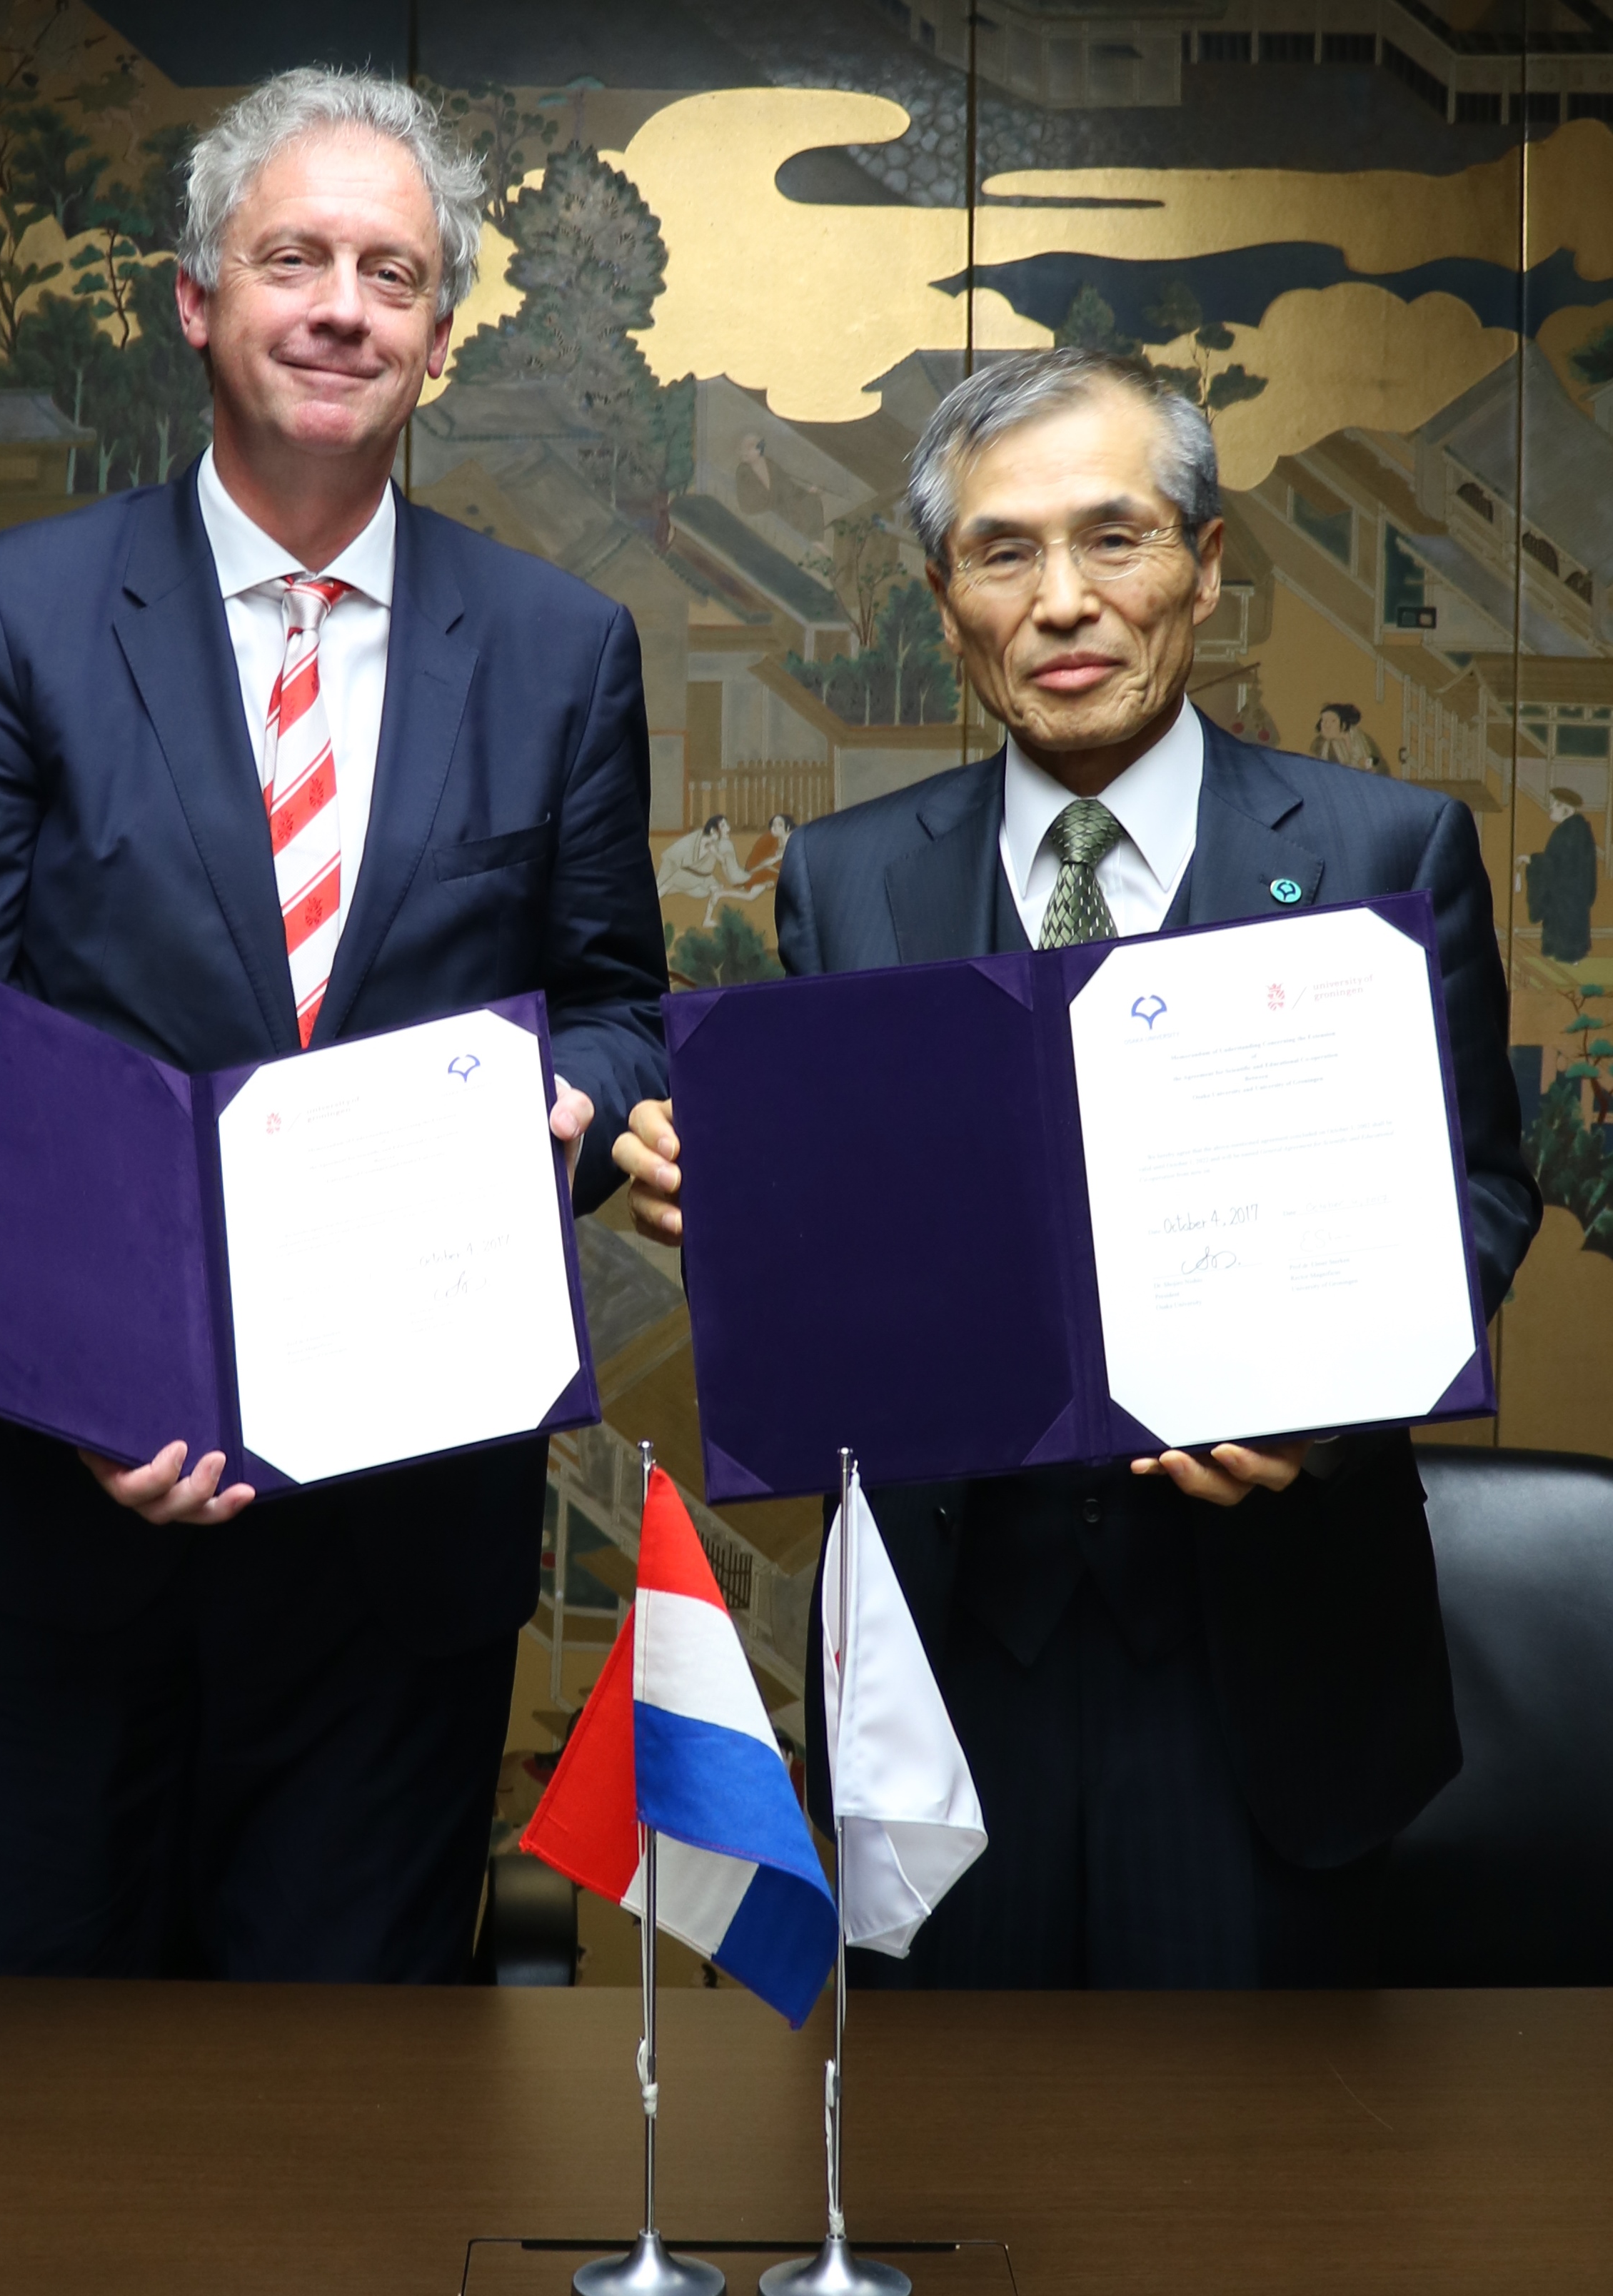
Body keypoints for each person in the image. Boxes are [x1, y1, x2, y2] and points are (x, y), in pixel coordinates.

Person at [0, 68, 668, 1980]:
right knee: (18, 2099)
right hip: (49, 1530)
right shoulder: (14, 615)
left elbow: (620, 1005)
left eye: (392, 274)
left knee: (345, 2114)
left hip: (395, 1555)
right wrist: (78, 1375)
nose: (342, 309)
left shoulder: (559, 651)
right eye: (294, 258)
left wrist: (573, 1102)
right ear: (197, 298)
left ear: (439, 337)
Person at [614, 348, 1539, 1989]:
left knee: (1254, 2138)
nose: (1062, 600)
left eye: (1114, 537)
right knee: (945, 2134)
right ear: (941, 595)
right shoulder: (845, 878)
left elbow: (1478, 1191)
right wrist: (742, 1214)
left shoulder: (1380, 850)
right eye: (1002, 551)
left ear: (1204, 564)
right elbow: (861, 1238)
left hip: (1267, 1663)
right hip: (948, 1666)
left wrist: (1331, 1400)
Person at [1522, 787, 1597, 962]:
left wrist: (1533, 860)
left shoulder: (1571, 832)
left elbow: (1558, 867)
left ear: (1567, 810)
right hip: (1570, 899)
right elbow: (1557, 863)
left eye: (1556, 805)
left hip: (1567, 900)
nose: (1551, 808)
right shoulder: (1575, 829)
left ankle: (1570, 958)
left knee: (1566, 948)